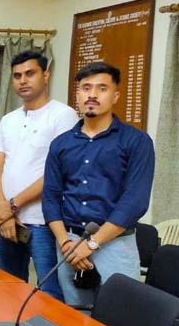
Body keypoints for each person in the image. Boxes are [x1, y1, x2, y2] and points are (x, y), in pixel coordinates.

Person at [43, 62, 154, 307]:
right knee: (76, 320)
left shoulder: (136, 142)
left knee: (120, 324)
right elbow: (51, 197)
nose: (92, 94)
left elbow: (134, 202)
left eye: (101, 88)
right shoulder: (61, 144)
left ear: (115, 96)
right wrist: (66, 243)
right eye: (86, 88)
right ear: (78, 95)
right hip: (69, 245)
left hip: (116, 245)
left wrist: (92, 244)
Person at [0, 51, 77, 300]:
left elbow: (56, 173)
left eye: (30, 73)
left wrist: (12, 206)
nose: (23, 80)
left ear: (46, 75)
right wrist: (2, 209)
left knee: (48, 292)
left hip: (43, 222)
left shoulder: (64, 116)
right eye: (17, 76)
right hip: (7, 219)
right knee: (8, 287)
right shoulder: (8, 120)